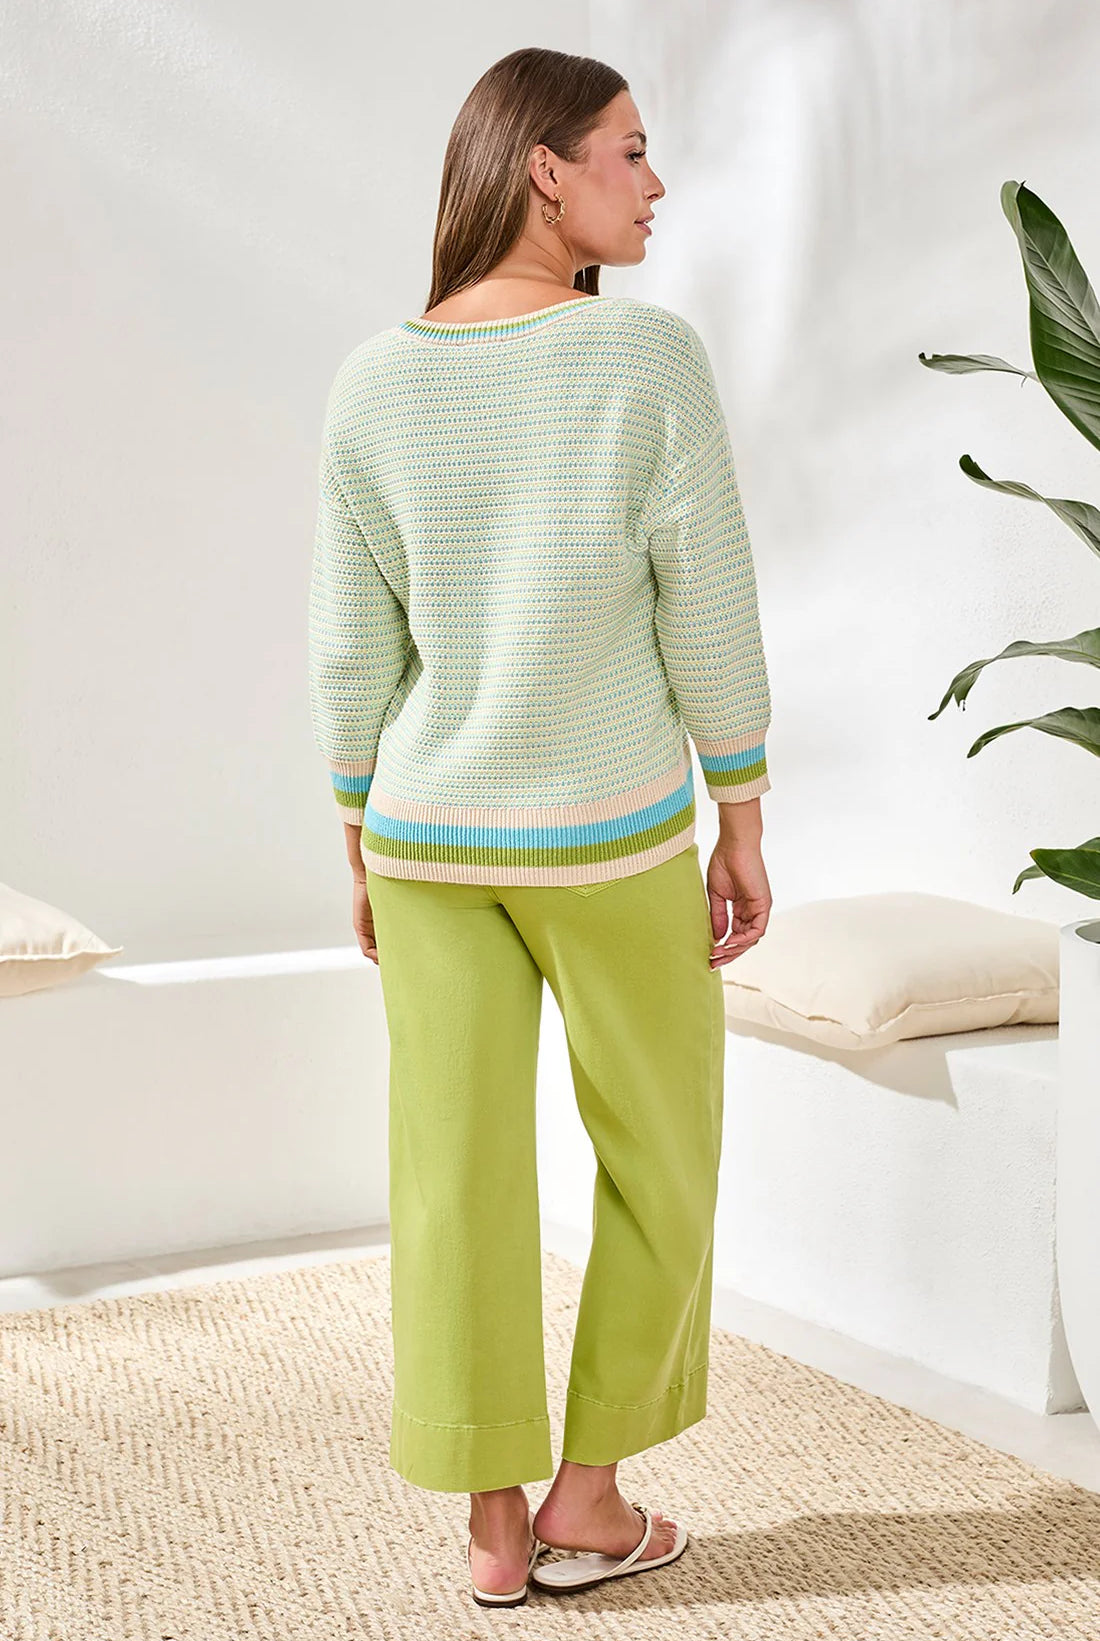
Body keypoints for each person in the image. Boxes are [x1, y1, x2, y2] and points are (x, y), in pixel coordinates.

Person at [308, 45, 773, 1608]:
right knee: (664, 1156)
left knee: (453, 1173)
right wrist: (742, 811)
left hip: (428, 844)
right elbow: (708, 606)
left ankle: (495, 1524)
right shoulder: (645, 360)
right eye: (631, 151)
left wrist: (358, 836)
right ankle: (591, 1497)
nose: (656, 182)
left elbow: (351, 650)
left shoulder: (372, 382)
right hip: (612, 839)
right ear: (543, 169)